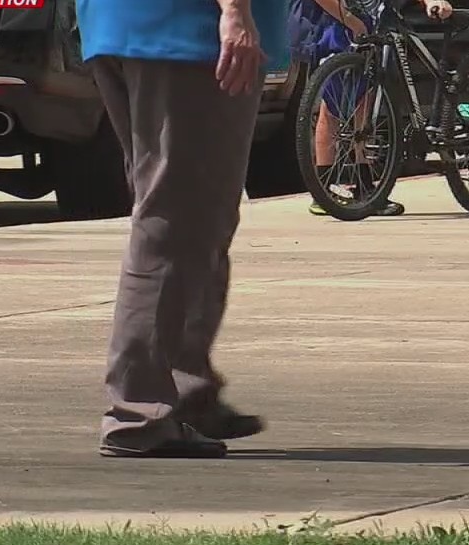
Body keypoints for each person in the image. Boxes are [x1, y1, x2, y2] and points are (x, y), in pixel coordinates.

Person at [77, 0, 286, 457]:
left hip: (126, 27)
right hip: (189, 36)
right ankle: (138, 414)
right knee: (174, 223)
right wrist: (235, 12)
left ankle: (185, 388)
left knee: (198, 223)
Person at [293, 0, 424, 217]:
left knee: (365, 100)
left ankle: (365, 187)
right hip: (337, 27)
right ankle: (323, 191)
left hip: (370, 23)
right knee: (331, 106)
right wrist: (352, 22)